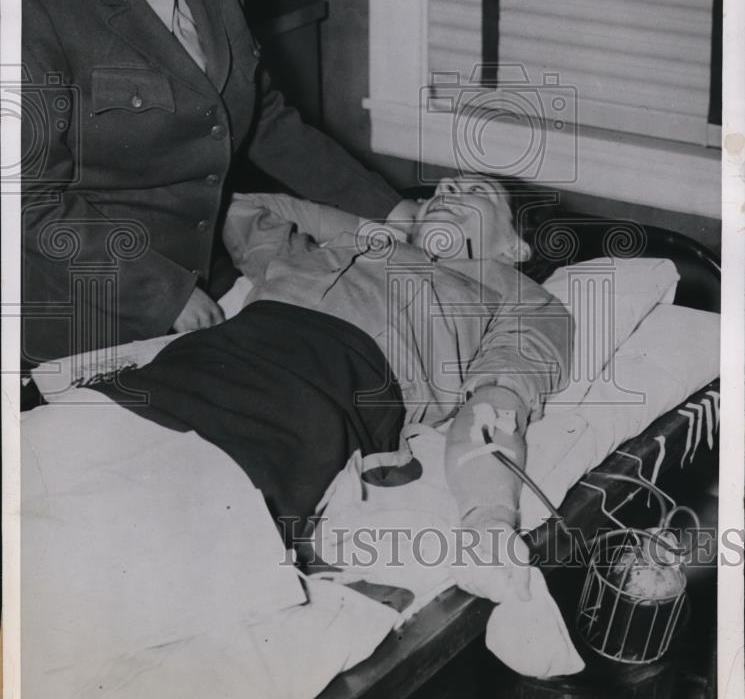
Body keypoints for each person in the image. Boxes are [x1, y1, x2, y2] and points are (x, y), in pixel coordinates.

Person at [21, 0, 414, 366]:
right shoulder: (40, 2)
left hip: (212, 276)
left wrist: (386, 208)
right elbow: (27, 201)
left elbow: (264, 121)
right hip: (98, 308)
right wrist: (166, 294)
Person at [94, 174, 572, 602]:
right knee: (69, 449)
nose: (445, 192)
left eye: (474, 193)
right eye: (440, 189)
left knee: (140, 536)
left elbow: (495, 406)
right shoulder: (340, 248)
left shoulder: (522, 298)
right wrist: (382, 227)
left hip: (325, 391)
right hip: (207, 356)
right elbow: (243, 206)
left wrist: (488, 522)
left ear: (516, 247)